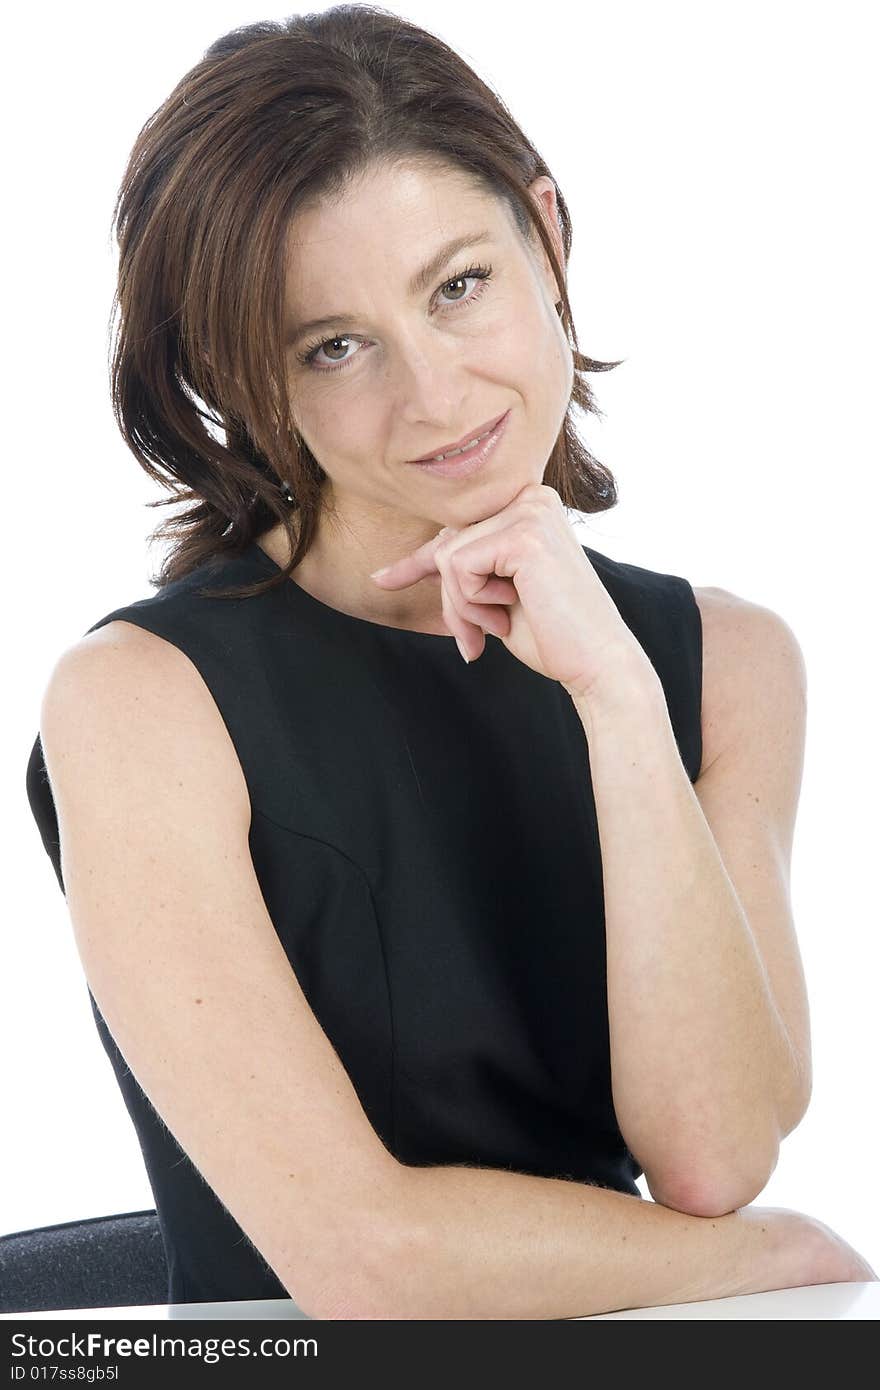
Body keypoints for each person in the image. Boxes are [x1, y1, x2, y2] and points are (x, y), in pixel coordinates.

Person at [25, 6, 875, 1318]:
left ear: (546, 232)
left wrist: (616, 698)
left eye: (459, 285)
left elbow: (711, 1154)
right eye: (335, 345)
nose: (434, 398)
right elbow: (358, 1257)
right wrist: (775, 1255)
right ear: (250, 380)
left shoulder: (728, 660)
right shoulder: (143, 701)